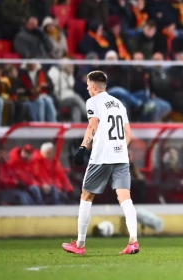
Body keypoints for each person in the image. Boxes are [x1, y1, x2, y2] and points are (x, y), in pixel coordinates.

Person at [61, 70, 138, 255]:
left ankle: (79, 244)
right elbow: (129, 135)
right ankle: (133, 242)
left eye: (88, 86)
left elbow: (92, 126)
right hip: (121, 157)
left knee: (86, 196)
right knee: (125, 199)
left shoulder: (93, 102)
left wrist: (82, 148)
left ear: (94, 87)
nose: (87, 89)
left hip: (102, 157)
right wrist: (119, 148)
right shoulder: (119, 104)